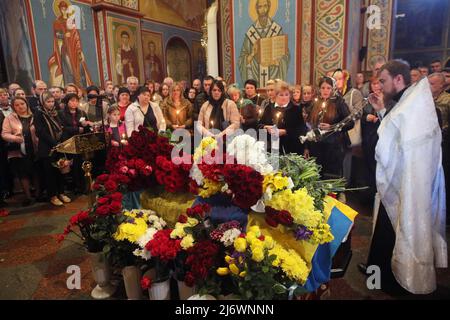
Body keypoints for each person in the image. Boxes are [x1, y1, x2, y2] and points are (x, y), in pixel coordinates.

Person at [364, 60, 447, 296]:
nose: (380, 86)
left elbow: (400, 141)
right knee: (385, 231)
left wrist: (382, 114)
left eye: (383, 81)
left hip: (408, 184)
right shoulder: (406, 102)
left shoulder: (413, 105)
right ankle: (378, 276)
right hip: (397, 180)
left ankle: (397, 280)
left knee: (398, 231)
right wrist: (381, 110)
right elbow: (395, 130)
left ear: (398, 80)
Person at [304, 77, 353, 179]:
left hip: (333, 146)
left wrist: (331, 127)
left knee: (330, 178)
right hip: (316, 146)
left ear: (333, 89)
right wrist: (307, 147)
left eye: (328, 88)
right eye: (323, 88)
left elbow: (350, 123)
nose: (325, 91)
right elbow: (309, 125)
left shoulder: (339, 102)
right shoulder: (315, 102)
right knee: (317, 176)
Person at [238, 0, 289, 87]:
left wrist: (277, 61)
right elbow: (242, 60)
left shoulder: (276, 30)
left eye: (265, 6)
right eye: (260, 7)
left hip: (273, 76)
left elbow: (285, 56)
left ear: (269, 7)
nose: (263, 10)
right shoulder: (251, 33)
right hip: (255, 76)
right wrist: (252, 54)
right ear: (256, 9)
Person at [34, 92, 71, 207]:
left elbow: (61, 127)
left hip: (58, 146)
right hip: (47, 148)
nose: (51, 104)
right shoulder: (39, 113)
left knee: (60, 171)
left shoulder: (56, 112)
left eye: (52, 101)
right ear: (42, 102)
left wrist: (61, 142)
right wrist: (54, 143)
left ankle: (61, 193)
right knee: (50, 174)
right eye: (48, 102)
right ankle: (52, 196)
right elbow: (40, 132)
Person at [1, 97, 39, 206]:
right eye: (17, 105)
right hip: (19, 150)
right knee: (23, 174)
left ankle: (38, 193)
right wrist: (15, 138)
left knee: (36, 171)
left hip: (34, 148)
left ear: (26, 104)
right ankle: (28, 196)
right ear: (13, 107)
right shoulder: (9, 118)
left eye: (22, 103)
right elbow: (5, 134)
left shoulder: (34, 116)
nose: (20, 106)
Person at [333, 69, 364, 192]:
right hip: (335, 133)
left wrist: (344, 118)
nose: (337, 82)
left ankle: (344, 188)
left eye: (339, 79)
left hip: (348, 132)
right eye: (334, 79)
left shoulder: (353, 93)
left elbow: (359, 111)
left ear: (346, 79)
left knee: (346, 161)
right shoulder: (334, 95)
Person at [428, 72, 450, 222]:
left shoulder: (447, 101)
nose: (429, 87)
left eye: (432, 84)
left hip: (445, 145)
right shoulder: (426, 99)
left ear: (442, 85)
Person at [58, 93, 90, 194]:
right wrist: (77, 129)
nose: (74, 103)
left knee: (80, 163)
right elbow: (62, 127)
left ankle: (83, 185)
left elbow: (87, 127)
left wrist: (85, 126)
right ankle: (74, 186)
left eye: (76, 101)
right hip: (68, 141)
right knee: (72, 164)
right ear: (67, 102)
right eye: (71, 101)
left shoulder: (82, 112)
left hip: (80, 141)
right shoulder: (61, 113)